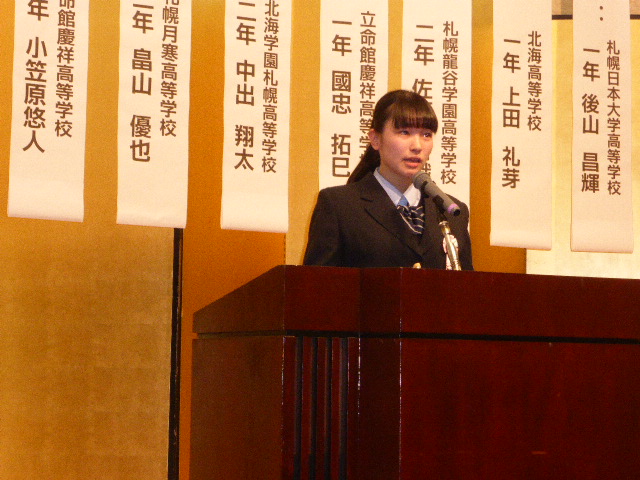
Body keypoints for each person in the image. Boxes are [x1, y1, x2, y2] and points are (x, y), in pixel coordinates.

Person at [303, 89, 473, 269]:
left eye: (426, 135)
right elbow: (317, 283)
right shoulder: (339, 206)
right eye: (404, 132)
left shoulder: (451, 212)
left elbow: (467, 283)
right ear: (375, 139)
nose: (417, 146)